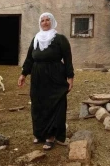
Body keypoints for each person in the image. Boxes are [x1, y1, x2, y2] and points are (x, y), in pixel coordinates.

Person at [18, 12, 74, 150]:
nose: (45, 22)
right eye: (42, 20)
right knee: (38, 104)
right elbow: (30, 58)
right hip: (38, 76)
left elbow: (68, 59)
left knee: (54, 104)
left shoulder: (60, 39)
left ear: (52, 21)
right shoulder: (35, 39)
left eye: (48, 20)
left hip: (55, 76)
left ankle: (51, 136)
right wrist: (23, 74)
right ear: (40, 23)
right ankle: (40, 133)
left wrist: (70, 77)